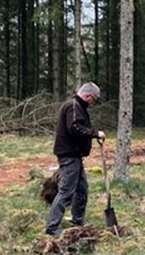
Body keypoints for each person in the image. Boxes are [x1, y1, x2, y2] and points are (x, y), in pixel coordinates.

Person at [45, 82, 105, 236]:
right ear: (87, 96)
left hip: (75, 156)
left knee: (81, 189)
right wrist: (95, 133)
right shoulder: (73, 106)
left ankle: (77, 221)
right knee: (66, 191)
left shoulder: (77, 106)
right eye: (94, 100)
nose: (93, 103)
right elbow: (75, 128)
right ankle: (52, 227)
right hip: (69, 155)